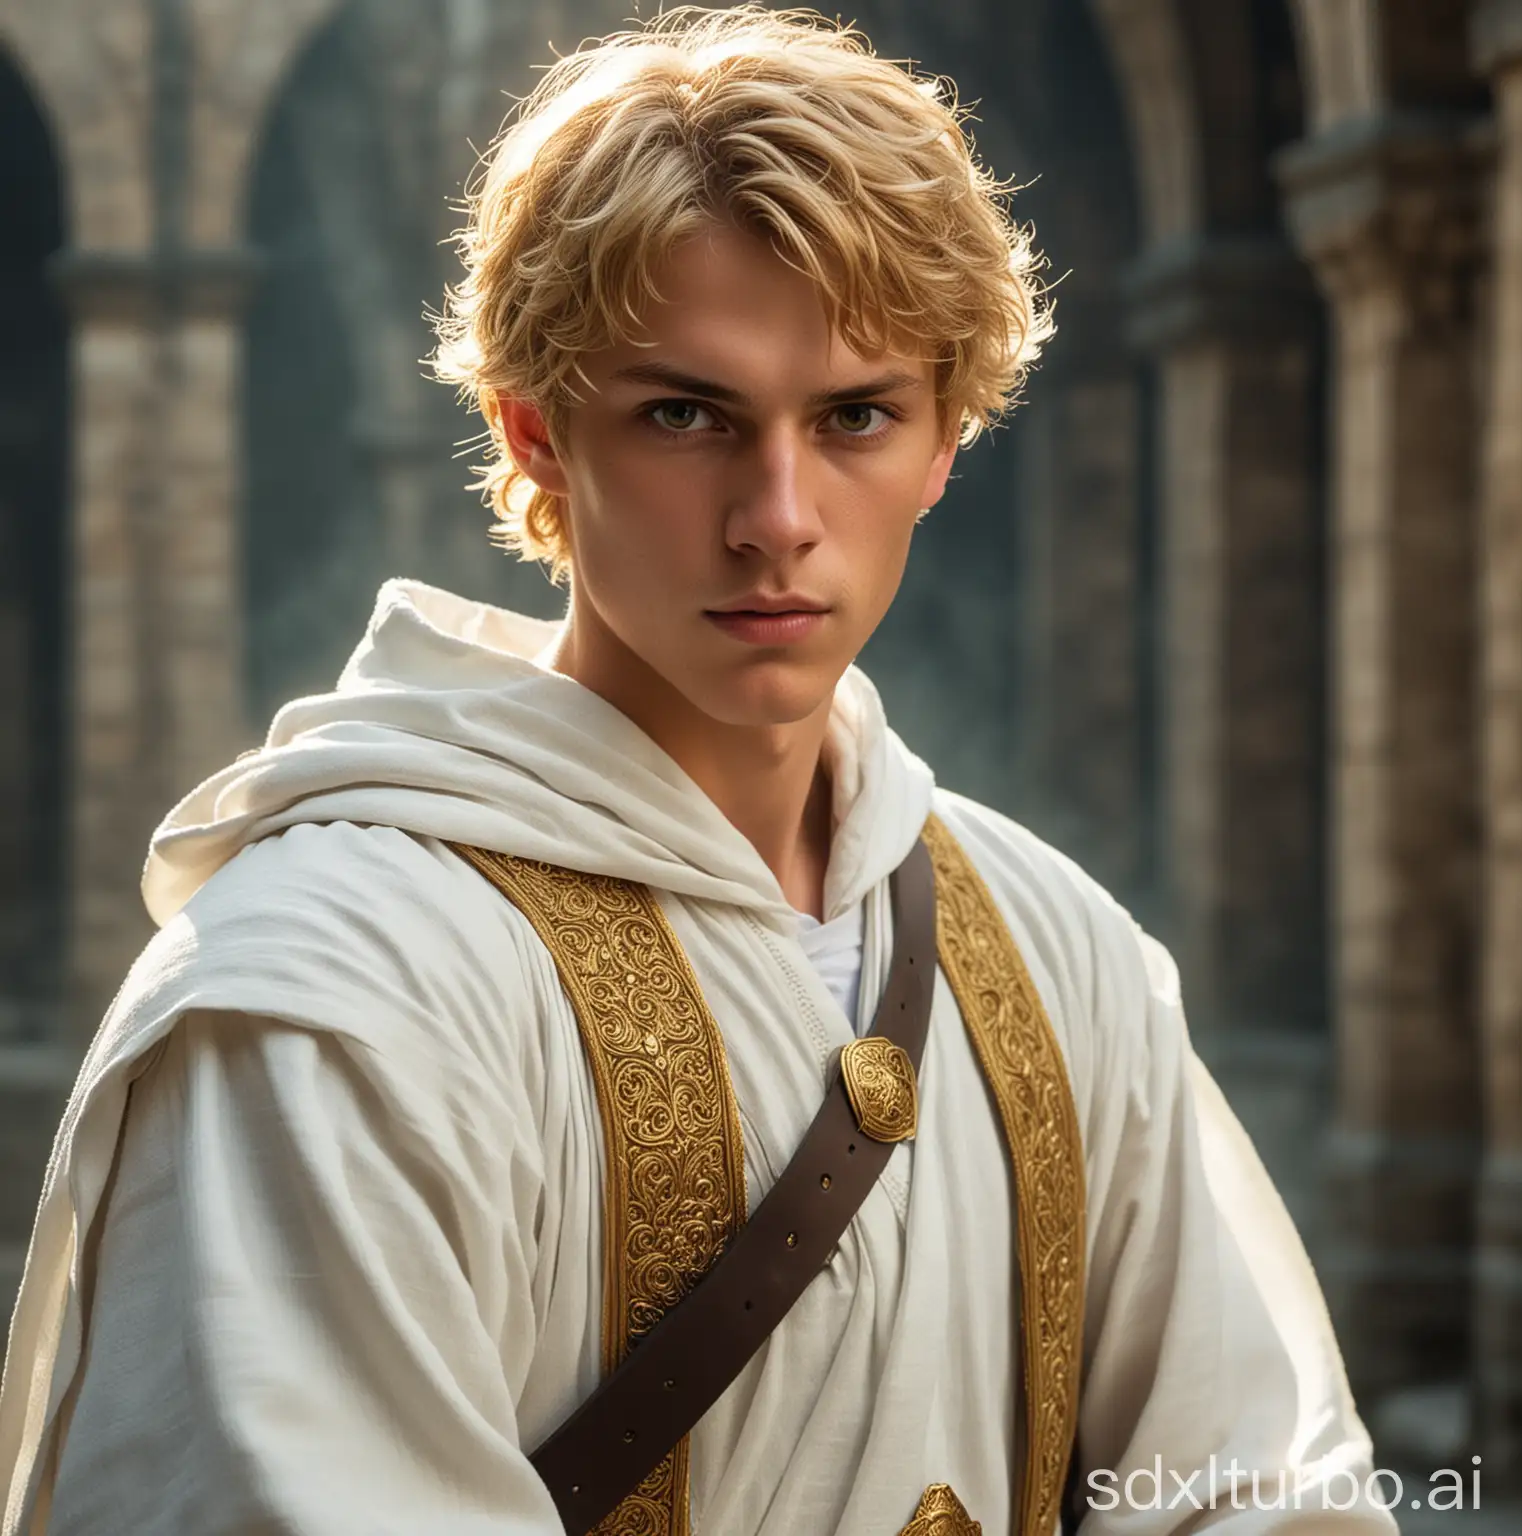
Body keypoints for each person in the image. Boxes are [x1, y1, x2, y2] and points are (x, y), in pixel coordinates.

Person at [1, 6, 1394, 1533]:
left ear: (944, 446)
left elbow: (1255, 1490)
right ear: (536, 435)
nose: (778, 516)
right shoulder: (329, 995)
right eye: (687, 415)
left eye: (856, 417)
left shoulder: (1064, 957)